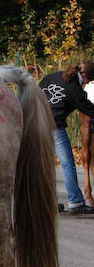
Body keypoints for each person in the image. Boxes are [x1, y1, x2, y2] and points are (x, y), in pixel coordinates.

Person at [39, 62, 94, 214]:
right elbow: (86, 107)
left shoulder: (52, 76)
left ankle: (47, 203)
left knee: (45, 165)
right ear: (83, 76)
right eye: (88, 80)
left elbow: (37, 92)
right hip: (54, 125)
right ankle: (76, 201)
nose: (87, 83)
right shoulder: (74, 87)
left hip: (37, 124)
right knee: (68, 164)